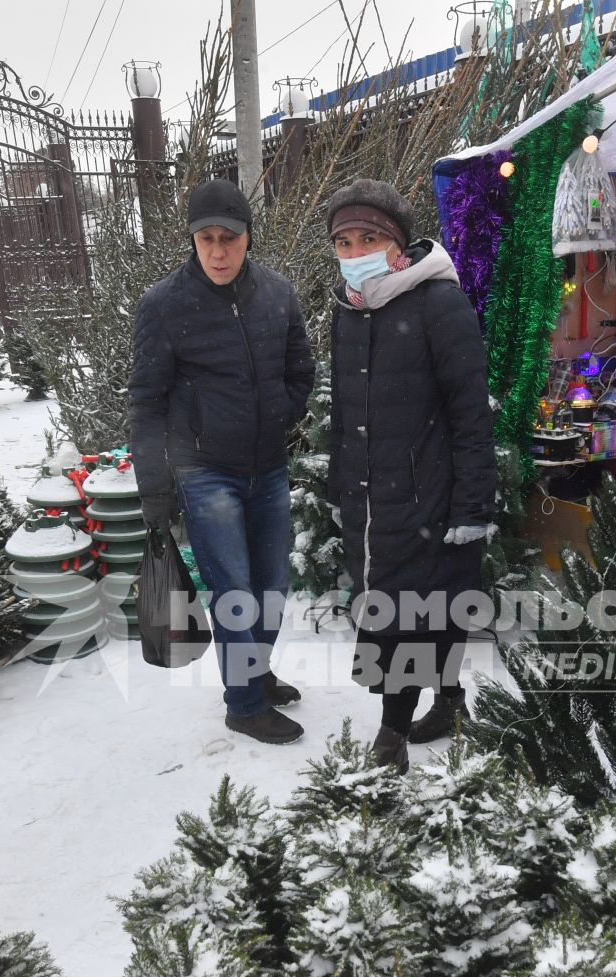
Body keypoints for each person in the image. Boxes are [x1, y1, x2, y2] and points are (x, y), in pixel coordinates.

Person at [128, 179, 315, 744]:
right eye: (205, 238)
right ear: (192, 239)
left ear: (247, 236)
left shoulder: (278, 295)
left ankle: (253, 673)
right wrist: (156, 491)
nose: (217, 251)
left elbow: (300, 371)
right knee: (234, 589)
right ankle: (245, 703)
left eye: (228, 238)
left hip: (268, 466)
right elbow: (146, 403)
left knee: (273, 587)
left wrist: (278, 413)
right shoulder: (164, 306)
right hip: (205, 471)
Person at [323, 179, 495, 773]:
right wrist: (339, 488)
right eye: (343, 241)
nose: (354, 251)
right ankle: (451, 703)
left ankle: (390, 735)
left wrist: (473, 507)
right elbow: (344, 415)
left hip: (428, 498)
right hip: (373, 498)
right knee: (424, 612)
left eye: (368, 238)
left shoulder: (438, 304)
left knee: (407, 618)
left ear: (397, 244)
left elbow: (472, 414)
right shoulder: (349, 312)